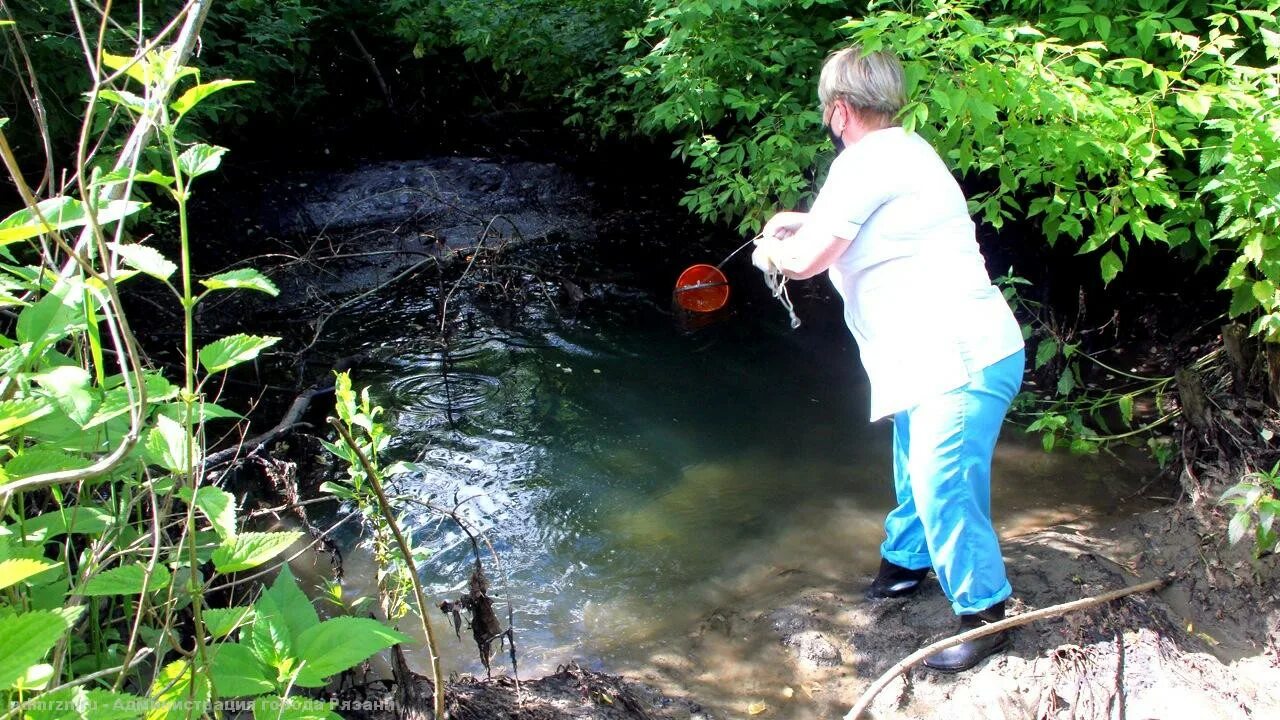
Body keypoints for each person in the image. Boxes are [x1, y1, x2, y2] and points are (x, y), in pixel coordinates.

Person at [752, 45, 1026, 672]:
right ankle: (904, 568)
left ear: (840, 110)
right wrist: (799, 219)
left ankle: (985, 615)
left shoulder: (863, 166)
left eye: (828, 110)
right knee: (914, 469)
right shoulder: (906, 150)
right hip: (936, 358)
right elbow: (859, 219)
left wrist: (771, 253)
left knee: (942, 485)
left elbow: (806, 262)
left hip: (957, 360)